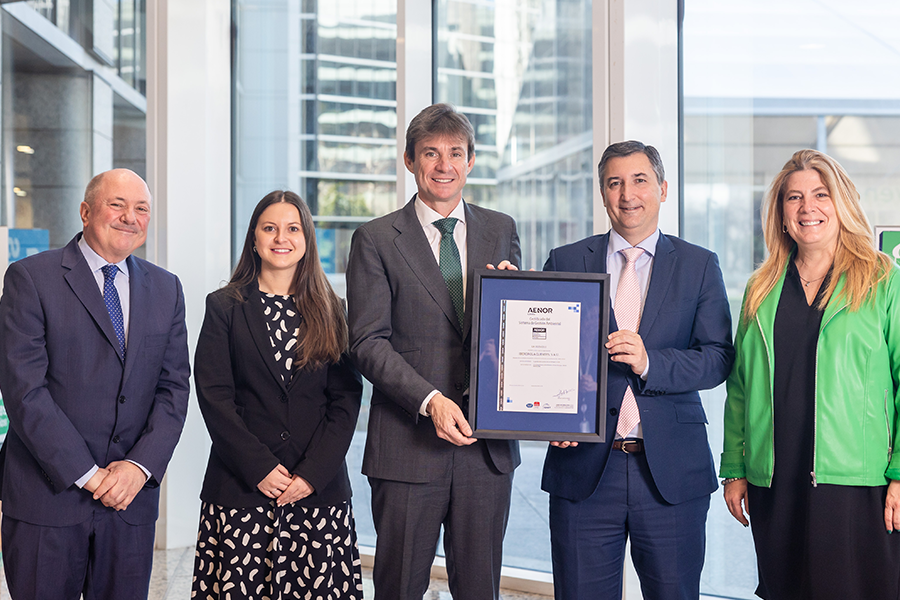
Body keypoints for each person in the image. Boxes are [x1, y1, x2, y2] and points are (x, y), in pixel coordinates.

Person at [542, 140, 735, 600]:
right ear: (603, 193)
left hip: (670, 471)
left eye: (639, 180)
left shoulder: (698, 265)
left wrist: (652, 362)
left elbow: (718, 357)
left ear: (663, 189)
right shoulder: (565, 261)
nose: (627, 194)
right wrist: (549, 416)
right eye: (615, 183)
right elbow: (545, 353)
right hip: (584, 469)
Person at [346, 103, 521, 599]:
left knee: (480, 590)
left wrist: (517, 303)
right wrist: (430, 401)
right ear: (409, 161)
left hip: (486, 452)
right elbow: (366, 342)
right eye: (430, 153)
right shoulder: (376, 239)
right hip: (407, 448)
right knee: (400, 588)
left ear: (471, 160)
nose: (443, 164)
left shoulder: (500, 229)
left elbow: (513, 339)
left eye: (455, 153)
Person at [0, 169, 190, 599]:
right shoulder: (30, 278)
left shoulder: (166, 288)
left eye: (141, 208)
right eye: (117, 204)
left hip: (129, 504)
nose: (130, 217)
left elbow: (174, 389)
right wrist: (88, 475)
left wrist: (138, 469)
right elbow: (24, 391)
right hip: (47, 500)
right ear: (85, 211)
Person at [721, 149, 900, 599]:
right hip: (777, 479)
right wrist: (735, 468)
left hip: (858, 481)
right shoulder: (760, 288)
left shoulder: (883, 279)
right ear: (781, 214)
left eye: (821, 194)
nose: (808, 208)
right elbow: (740, 388)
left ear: (841, 204)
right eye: (794, 198)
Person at [191, 190, 363, 599]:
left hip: (317, 492)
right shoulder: (223, 307)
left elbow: (345, 400)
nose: (280, 238)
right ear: (254, 239)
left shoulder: (333, 309)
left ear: (306, 240)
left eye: (292, 229)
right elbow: (214, 396)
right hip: (241, 489)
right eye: (269, 228)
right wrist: (260, 468)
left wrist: (311, 474)